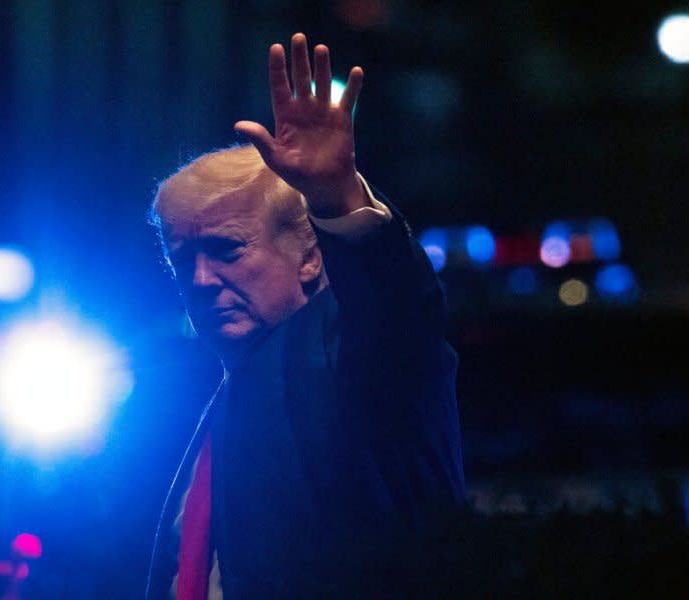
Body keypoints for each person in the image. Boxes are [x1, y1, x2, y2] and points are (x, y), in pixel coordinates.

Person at [146, 33, 465, 599]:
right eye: (182, 260)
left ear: (312, 256)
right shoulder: (214, 387)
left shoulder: (346, 353)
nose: (198, 281)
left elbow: (397, 313)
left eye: (226, 250)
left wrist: (338, 199)